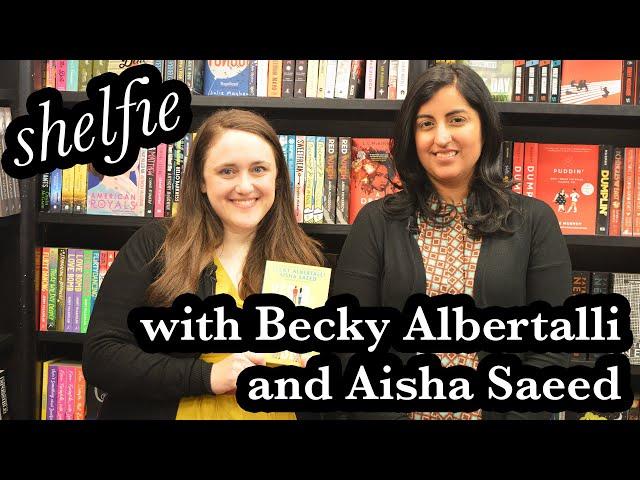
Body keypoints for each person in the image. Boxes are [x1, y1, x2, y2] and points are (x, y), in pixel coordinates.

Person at [331, 63, 571, 420]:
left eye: (457, 120)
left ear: (484, 128)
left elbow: (551, 348)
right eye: (426, 124)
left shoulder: (534, 221)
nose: (441, 137)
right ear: (412, 137)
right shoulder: (376, 222)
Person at [83, 109, 325, 419]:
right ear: (200, 180)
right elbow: (102, 357)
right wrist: (208, 376)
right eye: (227, 171)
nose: (245, 186)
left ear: (277, 178)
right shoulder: (158, 245)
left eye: (259, 169)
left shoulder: (304, 258)